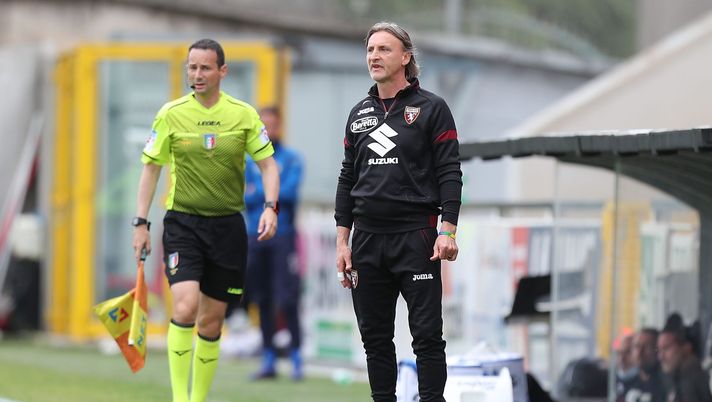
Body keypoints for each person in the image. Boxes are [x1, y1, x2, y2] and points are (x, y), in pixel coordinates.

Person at [131, 38, 280, 402]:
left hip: (228, 228)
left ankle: (197, 399)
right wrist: (140, 223)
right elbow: (151, 169)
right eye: (192, 67)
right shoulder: (171, 113)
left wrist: (270, 206)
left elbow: (268, 165)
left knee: (211, 322)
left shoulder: (243, 114)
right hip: (183, 224)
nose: (196, 74)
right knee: (184, 306)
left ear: (222, 71)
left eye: (204, 68)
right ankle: (180, 399)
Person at [334, 21, 463, 402]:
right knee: (375, 338)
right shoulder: (359, 114)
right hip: (367, 240)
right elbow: (346, 179)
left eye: (384, 49)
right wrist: (343, 241)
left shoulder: (432, 109)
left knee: (426, 336)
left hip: (416, 237)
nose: (374, 56)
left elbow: (450, 172)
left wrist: (448, 229)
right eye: (370, 50)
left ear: (406, 57)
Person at [244, 106, 304, 380]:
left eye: (272, 125)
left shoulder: (291, 159)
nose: (267, 130)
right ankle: (268, 358)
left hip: (282, 235)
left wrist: (262, 192)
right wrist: (266, 194)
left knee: (287, 298)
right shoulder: (248, 162)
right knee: (261, 298)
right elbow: (242, 196)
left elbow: (288, 193)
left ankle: (296, 357)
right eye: (263, 125)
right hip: (254, 236)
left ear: (280, 127)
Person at [657, 314, 712, 402]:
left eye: (666, 348)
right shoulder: (675, 377)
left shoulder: (694, 379)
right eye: (659, 350)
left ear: (686, 348)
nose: (661, 356)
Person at [617, 328, 667, 402]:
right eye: (637, 346)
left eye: (647, 347)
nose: (639, 352)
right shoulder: (626, 384)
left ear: (658, 349)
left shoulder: (667, 384)